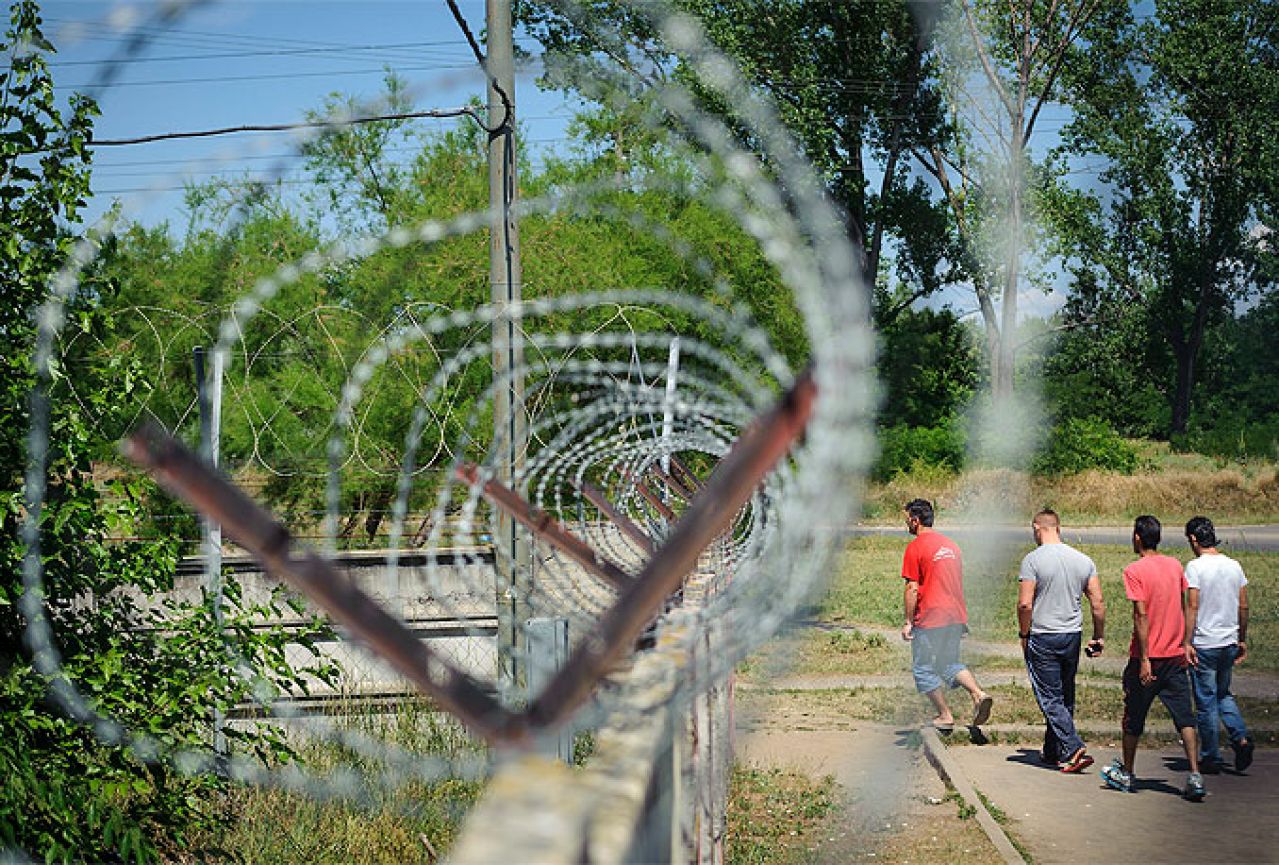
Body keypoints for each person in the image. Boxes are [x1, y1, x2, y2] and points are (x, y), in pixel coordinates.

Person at [1100, 515, 1205, 801]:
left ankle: (1128, 773)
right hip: (1175, 656)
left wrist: (1145, 658)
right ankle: (1195, 774)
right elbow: (1184, 605)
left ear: (1137, 537)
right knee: (1184, 717)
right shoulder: (1174, 565)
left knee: (1133, 716)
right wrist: (1185, 642)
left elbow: (1141, 614)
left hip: (1149, 658)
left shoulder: (1134, 570)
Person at [1017, 509, 1106, 773]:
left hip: (1044, 634)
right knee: (1065, 693)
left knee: (1048, 696)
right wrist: (1098, 636)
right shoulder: (1083, 560)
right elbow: (1098, 603)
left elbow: (1024, 603)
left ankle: (1072, 746)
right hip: (1072, 634)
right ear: (1058, 527)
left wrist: (1024, 634)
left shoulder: (1032, 560)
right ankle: (1053, 750)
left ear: (1037, 528)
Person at [900, 498, 993, 734]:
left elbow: (912, 588)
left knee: (922, 668)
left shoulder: (916, 547)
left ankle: (945, 715)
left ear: (915, 520)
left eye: (907, 520)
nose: (906, 525)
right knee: (948, 662)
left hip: (931, 616)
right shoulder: (951, 545)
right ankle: (978, 693)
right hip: (955, 615)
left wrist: (909, 622)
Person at [1185, 515, 1254, 774]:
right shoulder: (1234, 565)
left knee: (1205, 700)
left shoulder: (1195, 567)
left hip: (1205, 642)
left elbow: (1192, 605)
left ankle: (1210, 756)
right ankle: (1240, 738)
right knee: (1224, 693)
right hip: (1228, 640)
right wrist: (1242, 638)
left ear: (1194, 539)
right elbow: (1243, 605)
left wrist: (1186, 641)